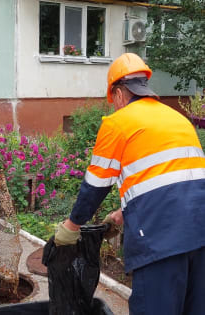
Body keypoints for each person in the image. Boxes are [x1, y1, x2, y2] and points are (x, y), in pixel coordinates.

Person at [54, 53, 205, 314]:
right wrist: (125, 212)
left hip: (161, 240)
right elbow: (178, 176)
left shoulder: (118, 123)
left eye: (113, 100)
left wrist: (71, 226)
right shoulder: (178, 119)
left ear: (120, 93)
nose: (114, 106)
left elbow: (95, 185)